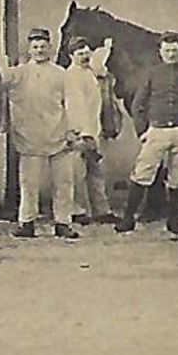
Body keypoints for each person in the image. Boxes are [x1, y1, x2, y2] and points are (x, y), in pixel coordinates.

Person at [120, 30, 178, 236]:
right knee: (143, 173)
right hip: (157, 130)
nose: (171, 54)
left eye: (175, 50)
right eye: (167, 50)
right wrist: (143, 131)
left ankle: (174, 221)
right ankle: (128, 218)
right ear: (160, 52)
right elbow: (138, 105)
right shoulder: (151, 73)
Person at [3, 27, 79, 240]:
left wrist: (73, 131)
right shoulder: (18, 73)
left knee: (64, 182)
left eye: (43, 47)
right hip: (29, 136)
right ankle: (27, 222)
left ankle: (63, 223)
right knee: (29, 183)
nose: (39, 51)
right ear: (29, 49)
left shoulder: (61, 74)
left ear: (50, 48)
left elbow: (72, 104)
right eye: (35, 47)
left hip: (58, 134)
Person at [62, 36, 114, 225]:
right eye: (80, 53)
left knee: (96, 171)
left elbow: (102, 62)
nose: (84, 57)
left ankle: (101, 210)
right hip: (79, 130)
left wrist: (106, 46)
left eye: (86, 53)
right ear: (71, 56)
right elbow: (76, 107)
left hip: (94, 128)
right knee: (78, 173)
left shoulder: (90, 73)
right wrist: (84, 133)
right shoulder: (71, 76)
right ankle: (78, 210)